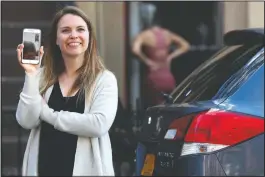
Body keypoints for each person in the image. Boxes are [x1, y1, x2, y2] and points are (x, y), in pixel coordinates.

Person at [16, 6, 118, 176]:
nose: (73, 35)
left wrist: (48, 114)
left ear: (89, 37)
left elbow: (98, 124)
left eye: (80, 29)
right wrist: (30, 74)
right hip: (43, 170)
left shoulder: (104, 79)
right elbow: (26, 121)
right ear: (56, 39)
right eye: (65, 30)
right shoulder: (41, 77)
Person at [132, 17, 190, 108]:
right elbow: (186, 45)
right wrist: (170, 56)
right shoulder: (167, 34)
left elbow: (135, 50)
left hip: (153, 77)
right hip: (168, 77)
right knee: (171, 106)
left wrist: (147, 61)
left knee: (154, 108)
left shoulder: (144, 35)